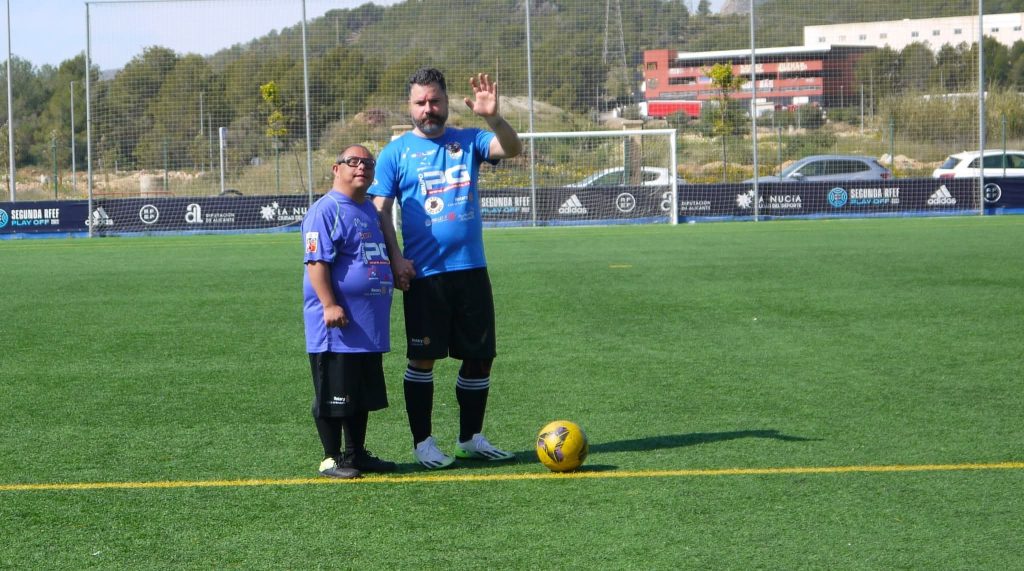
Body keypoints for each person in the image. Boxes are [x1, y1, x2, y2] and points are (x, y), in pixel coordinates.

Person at [370, 67, 523, 469]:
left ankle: (469, 439)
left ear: (446, 102)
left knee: (479, 356)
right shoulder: (395, 153)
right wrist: (396, 258)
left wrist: (493, 117)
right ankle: (423, 443)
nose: (428, 109)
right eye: (420, 103)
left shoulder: (469, 140)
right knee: (423, 359)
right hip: (425, 275)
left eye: (435, 101)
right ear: (410, 106)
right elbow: (381, 211)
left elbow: (512, 149)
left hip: (471, 268)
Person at [302, 145, 399, 479]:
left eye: (367, 163)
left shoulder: (369, 209)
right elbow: (316, 262)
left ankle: (356, 455)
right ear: (336, 169)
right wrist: (329, 304)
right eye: (353, 162)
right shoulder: (325, 210)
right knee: (333, 392)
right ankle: (330, 458)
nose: (362, 167)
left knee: (359, 394)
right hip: (336, 325)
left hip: (366, 323)